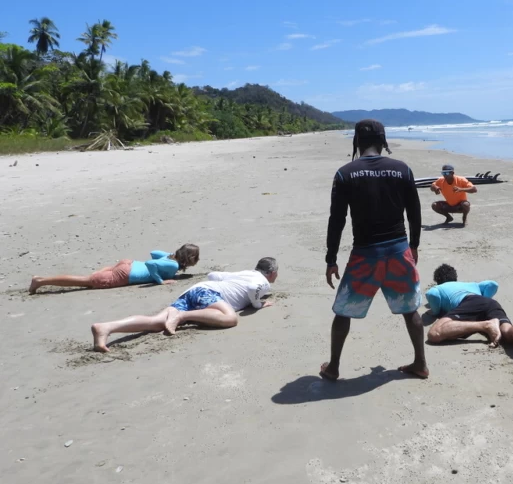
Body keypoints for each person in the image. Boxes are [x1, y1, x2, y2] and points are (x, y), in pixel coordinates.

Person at [323, 119, 428, 381]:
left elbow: (337, 220)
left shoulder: (345, 173)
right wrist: (414, 245)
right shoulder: (402, 169)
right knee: (410, 310)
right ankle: (420, 363)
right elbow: (414, 213)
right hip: (398, 251)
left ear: (357, 141)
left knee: (343, 312)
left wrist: (331, 258)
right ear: (384, 141)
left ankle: (334, 367)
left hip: (365, 256)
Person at [90, 257, 278, 352]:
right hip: (208, 293)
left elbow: (214, 275)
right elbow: (255, 287)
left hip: (197, 289)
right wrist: (257, 304)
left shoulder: (244, 273)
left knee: (156, 322)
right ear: (272, 272)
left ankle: (106, 328)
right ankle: (182, 316)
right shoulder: (263, 281)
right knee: (230, 318)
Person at [425, 264, 513, 371]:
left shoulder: (440, 287)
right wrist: (484, 297)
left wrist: (436, 312)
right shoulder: (471, 284)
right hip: (488, 302)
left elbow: (431, 294)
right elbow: (492, 284)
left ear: (438, 280)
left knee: (434, 334)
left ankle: (486, 325)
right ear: (456, 278)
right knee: (507, 331)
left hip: (467, 302)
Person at [29, 245, 200, 294]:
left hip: (128, 263)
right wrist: (160, 281)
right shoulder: (173, 265)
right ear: (190, 259)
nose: (197, 261)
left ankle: (41, 281)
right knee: (85, 281)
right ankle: (41, 281)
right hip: (126, 274)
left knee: (92, 278)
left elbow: (154, 252)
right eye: (196, 258)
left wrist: (169, 255)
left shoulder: (170, 257)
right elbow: (150, 263)